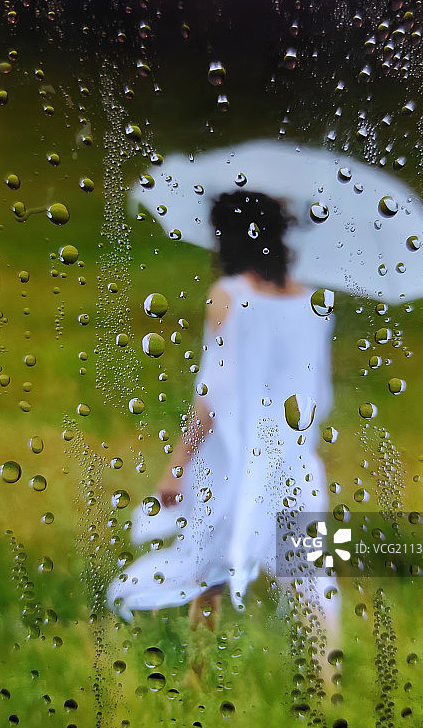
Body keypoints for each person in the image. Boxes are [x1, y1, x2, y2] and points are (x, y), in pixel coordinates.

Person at [107, 190, 339, 639]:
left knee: (206, 564)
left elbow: (213, 393)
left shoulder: (228, 295)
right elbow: (317, 393)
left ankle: (197, 672)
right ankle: (331, 675)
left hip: (230, 458)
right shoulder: (316, 302)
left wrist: (176, 467)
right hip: (293, 459)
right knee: (311, 578)